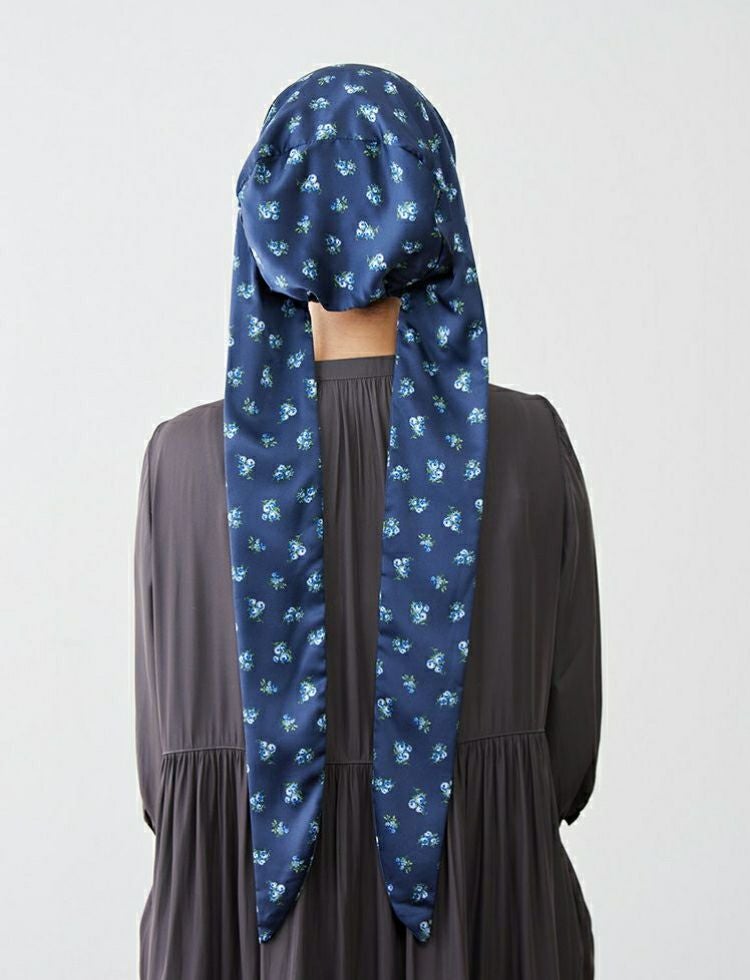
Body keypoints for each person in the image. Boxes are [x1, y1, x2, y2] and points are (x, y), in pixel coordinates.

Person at [134, 63, 602, 980]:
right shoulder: (531, 445)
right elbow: (569, 762)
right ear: (436, 210)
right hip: (487, 919)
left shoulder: (180, 461)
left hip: (244, 933)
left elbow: (161, 780)